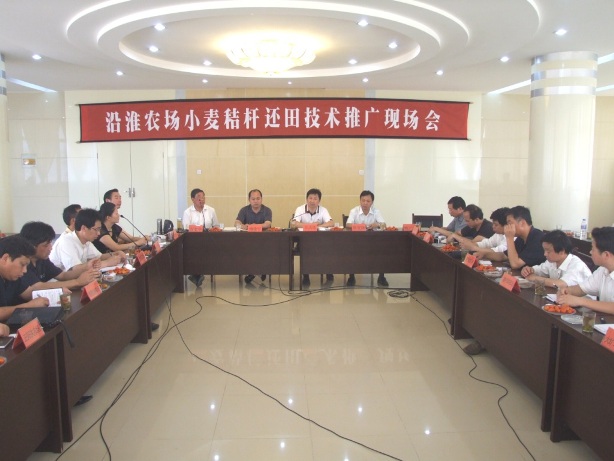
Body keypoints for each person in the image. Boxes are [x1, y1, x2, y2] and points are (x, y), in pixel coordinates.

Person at [464, 206, 545, 356]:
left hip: (539, 288)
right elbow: (503, 256)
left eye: (509, 223)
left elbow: (515, 263)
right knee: (490, 294)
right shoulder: (521, 239)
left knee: (500, 301)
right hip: (522, 281)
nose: (507, 227)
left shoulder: (537, 238)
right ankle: (484, 338)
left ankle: (490, 342)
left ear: (522, 223)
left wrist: (509, 238)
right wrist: (483, 253)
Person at [16, 221, 99, 301]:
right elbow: (37, 286)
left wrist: (86, 267)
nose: (50, 248)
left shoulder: (42, 259)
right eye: (46, 245)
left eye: (50, 243)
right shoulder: (22, 263)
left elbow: (62, 275)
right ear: (31, 246)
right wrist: (77, 282)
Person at [558, 226, 614, 314]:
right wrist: (568, 290)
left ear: (606, 255)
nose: (590, 252)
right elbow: (582, 289)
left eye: (593, 249)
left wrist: (580, 301)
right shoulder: (603, 270)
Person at [49, 208, 124, 272]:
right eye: (96, 229)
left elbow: (99, 257)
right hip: (59, 282)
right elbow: (75, 270)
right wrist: (106, 263)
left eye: (99, 229)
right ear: (84, 228)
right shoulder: (66, 241)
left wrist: (116, 254)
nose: (98, 233)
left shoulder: (86, 240)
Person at [345, 190, 389, 287]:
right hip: (356, 241)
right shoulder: (354, 211)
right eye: (363, 200)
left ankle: (381, 277)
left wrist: (377, 224)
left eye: (368, 201)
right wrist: (360, 226)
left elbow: (384, 225)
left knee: (383, 250)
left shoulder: (376, 211)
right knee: (349, 250)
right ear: (360, 201)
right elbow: (347, 224)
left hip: (373, 241)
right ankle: (351, 276)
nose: (365, 203)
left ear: (372, 202)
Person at [521, 230, 592, 289]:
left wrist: (535, 278)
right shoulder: (552, 261)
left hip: (582, 301)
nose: (545, 254)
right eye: (544, 250)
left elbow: (561, 284)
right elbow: (540, 270)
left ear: (562, 251)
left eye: (548, 251)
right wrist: (529, 270)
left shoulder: (576, 266)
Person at [291, 188, 334, 286]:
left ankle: (328, 272)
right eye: (310, 198)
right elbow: (294, 223)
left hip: (319, 241)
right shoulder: (300, 209)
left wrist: (318, 226)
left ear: (319, 201)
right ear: (306, 199)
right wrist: (310, 226)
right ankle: (305, 275)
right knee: (305, 248)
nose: (312, 201)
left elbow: (331, 223)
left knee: (328, 247)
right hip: (304, 241)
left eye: (315, 199)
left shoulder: (323, 210)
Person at [0, 235, 49, 321]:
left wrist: (57, 293)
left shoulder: (12, 277)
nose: (25, 270)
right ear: (5, 258)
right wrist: (29, 306)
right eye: (22, 264)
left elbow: (28, 293)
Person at [235, 189, 273, 284]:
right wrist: (242, 226)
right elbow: (236, 223)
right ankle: (258, 271)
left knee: (261, 250)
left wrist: (253, 226)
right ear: (249, 200)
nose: (256, 201)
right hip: (247, 241)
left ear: (261, 199)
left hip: (263, 241)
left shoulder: (267, 210)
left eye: (258, 198)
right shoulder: (244, 210)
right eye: (253, 199)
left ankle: (254, 272)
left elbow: (267, 224)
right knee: (247, 250)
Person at [183, 188, 218, 287]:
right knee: (195, 249)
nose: (201, 199)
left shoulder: (211, 210)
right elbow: (186, 229)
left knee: (203, 249)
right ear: (192, 199)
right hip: (193, 241)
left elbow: (216, 225)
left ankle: (196, 275)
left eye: (203, 197)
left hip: (209, 240)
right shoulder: (187, 212)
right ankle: (197, 274)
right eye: (199, 197)